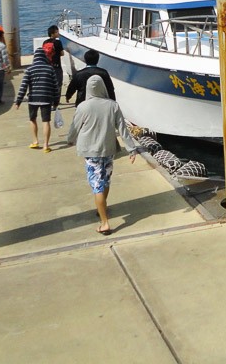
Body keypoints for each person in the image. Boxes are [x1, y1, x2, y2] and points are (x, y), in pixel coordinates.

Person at [66, 75, 136, 235]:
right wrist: (131, 149)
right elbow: (122, 129)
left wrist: (70, 140)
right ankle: (102, 207)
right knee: (105, 179)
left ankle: (104, 223)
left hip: (91, 152)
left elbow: (75, 127)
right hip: (108, 149)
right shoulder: (113, 106)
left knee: (97, 185)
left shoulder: (83, 107)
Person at [13, 48, 60, 152]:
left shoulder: (29, 69)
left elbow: (23, 86)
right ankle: (46, 145)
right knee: (46, 121)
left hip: (33, 99)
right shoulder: (50, 69)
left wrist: (18, 101)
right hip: (46, 99)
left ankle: (35, 141)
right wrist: (56, 101)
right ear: (44, 57)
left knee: (33, 119)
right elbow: (55, 87)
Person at [43, 24, 65, 95]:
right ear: (52, 34)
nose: (58, 33)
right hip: (57, 66)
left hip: (47, 65)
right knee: (58, 83)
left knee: (49, 83)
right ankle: (56, 101)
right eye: (56, 32)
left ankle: (49, 97)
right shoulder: (58, 42)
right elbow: (62, 53)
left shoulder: (45, 42)